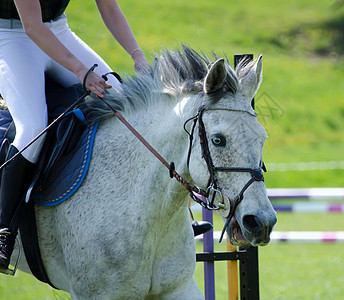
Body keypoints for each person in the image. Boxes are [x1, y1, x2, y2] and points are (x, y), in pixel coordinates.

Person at [0, 0, 210, 275]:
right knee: (33, 127)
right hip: (12, 38)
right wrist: (80, 72)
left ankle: (175, 218)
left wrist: (137, 56)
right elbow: (32, 26)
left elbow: (109, 7)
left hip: (59, 31)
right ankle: (4, 231)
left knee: (123, 103)